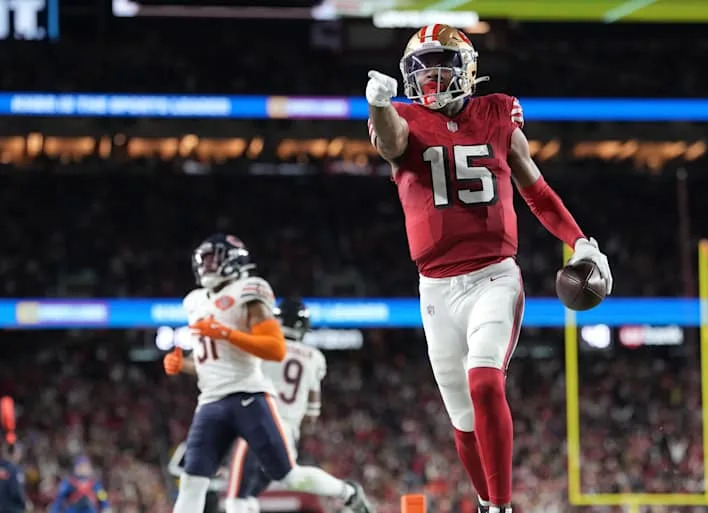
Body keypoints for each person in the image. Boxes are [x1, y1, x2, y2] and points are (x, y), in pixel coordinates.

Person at [365, 24, 612, 513]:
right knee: (461, 416)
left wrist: (580, 242)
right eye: (421, 70)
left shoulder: (498, 112)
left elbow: (536, 191)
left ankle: (500, 507)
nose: (430, 80)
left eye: (440, 67)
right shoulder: (402, 119)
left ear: (466, 68)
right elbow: (393, 143)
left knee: (484, 381)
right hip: (435, 288)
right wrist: (378, 105)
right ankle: (485, 502)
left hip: (493, 277)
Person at [164, 234, 373, 513]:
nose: (207, 266)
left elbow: (275, 349)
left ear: (233, 261)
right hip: (211, 401)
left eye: (214, 259)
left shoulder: (249, 290)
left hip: (247, 397)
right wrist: (183, 365)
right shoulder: (194, 301)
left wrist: (226, 333)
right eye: (205, 260)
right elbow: (212, 361)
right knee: (192, 482)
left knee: (287, 475)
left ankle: (348, 493)